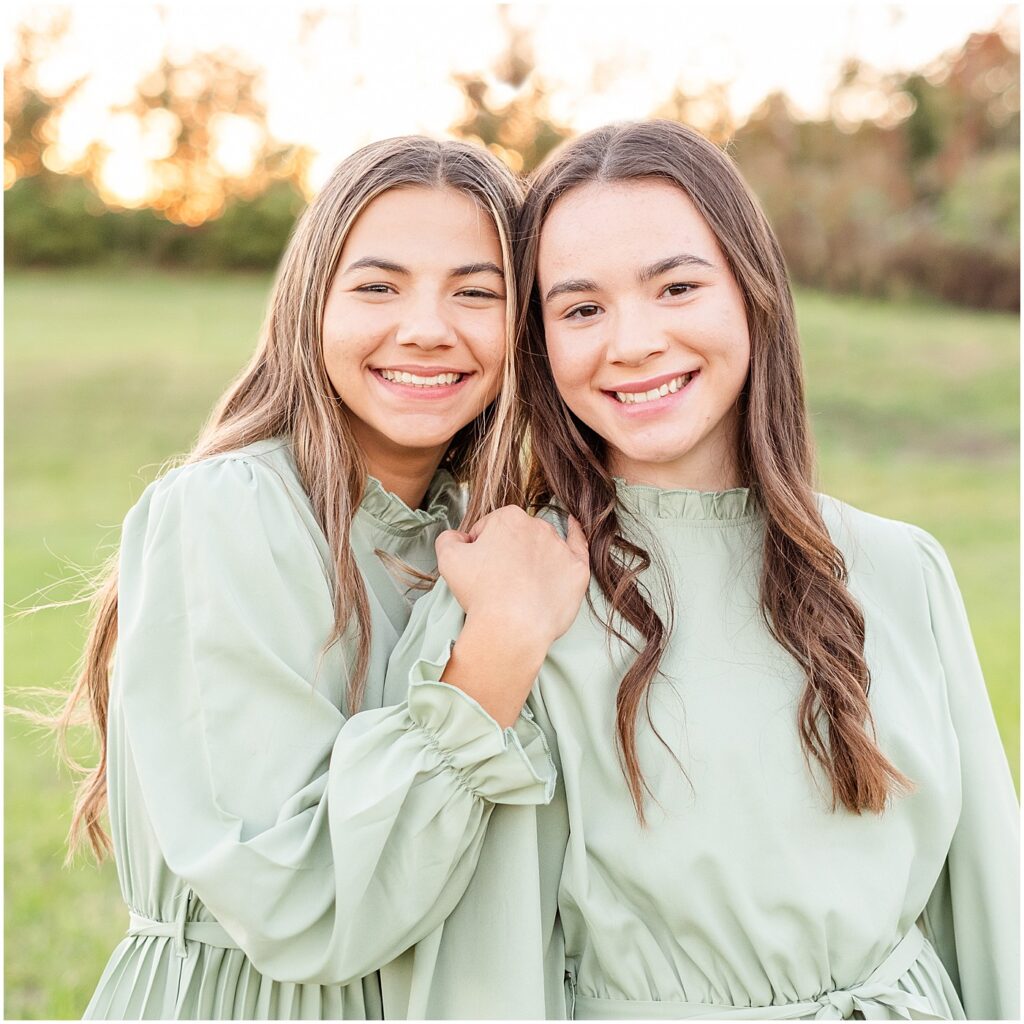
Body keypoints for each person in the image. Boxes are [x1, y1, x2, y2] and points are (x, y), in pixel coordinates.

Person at [386, 121, 1019, 1019]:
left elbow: (992, 905)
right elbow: (490, 968)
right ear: (539, 344)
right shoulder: (521, 593)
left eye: (677, 286)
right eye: (581, 309)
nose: (634, 342)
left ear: (752, 295)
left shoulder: (902, 567)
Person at [59, 136, 589, 1020]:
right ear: (312, 305)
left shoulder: (490, 540)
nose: (426, 326)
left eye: (476, 292)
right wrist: (497, 648)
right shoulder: (229, 512)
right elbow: (305, 903)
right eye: (378, 286)